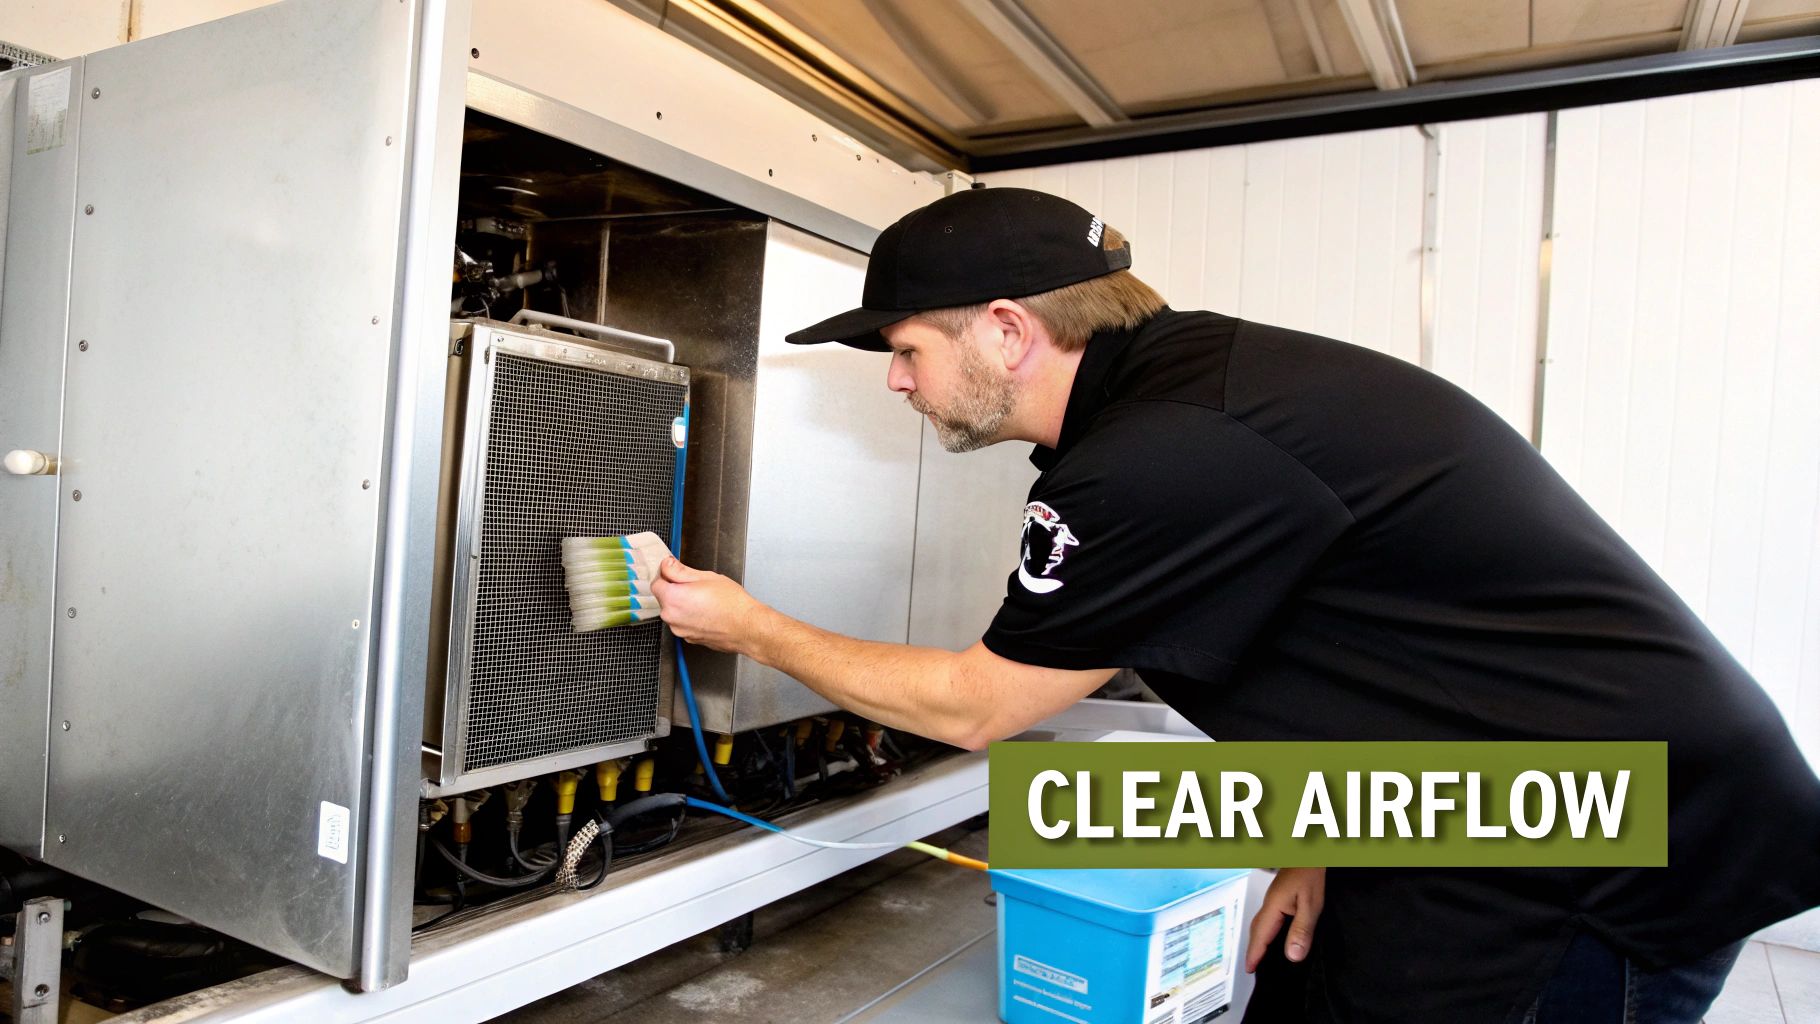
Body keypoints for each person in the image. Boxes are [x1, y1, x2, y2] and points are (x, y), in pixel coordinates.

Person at [649, 186, 1820, 1022]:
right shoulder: (1183, 393)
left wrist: (749, 626)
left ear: (1006, 330)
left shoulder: (1162, 450)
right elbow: (1344, 644)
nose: (896, 380)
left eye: (902, 348)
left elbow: (973, 706)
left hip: (1608, 835)